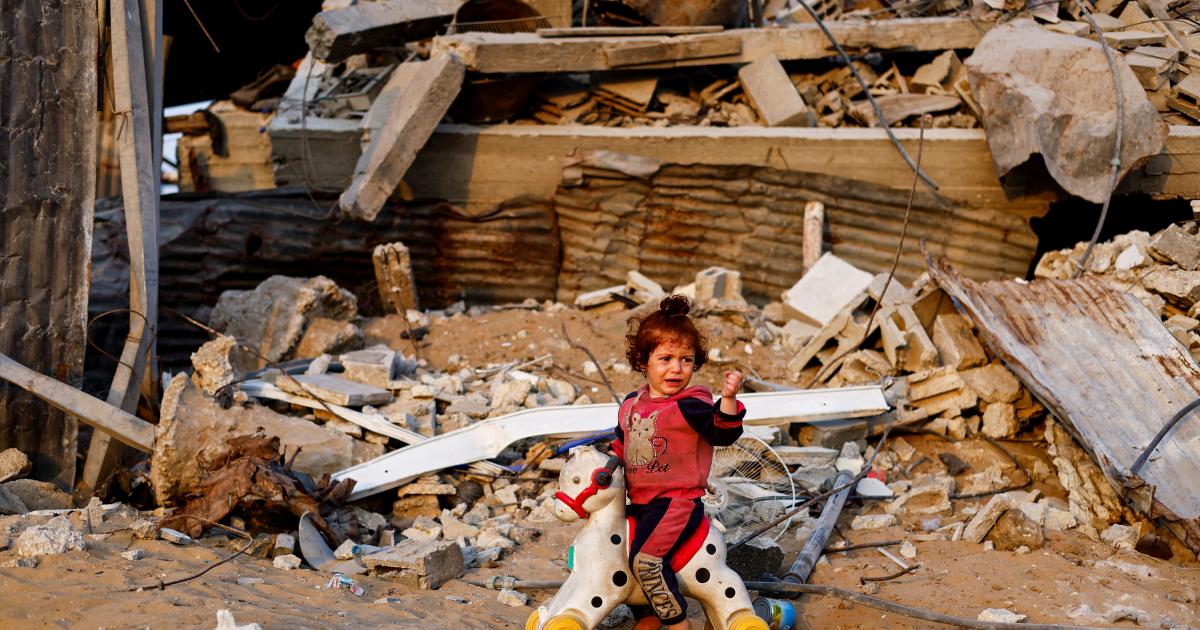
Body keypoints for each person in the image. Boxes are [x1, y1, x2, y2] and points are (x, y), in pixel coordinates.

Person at [610, 294, 745, 629]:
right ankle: (647, 617)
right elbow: (619, 445)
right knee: (622, 560)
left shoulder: (691, 403)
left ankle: (676, 623)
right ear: (643, 361)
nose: (676, 368)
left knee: (646, 562)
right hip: (638, 503)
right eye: (666, 358)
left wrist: (727, 399)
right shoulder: (631, 404)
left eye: (686, 360)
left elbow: (722, 432)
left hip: (676, 502)